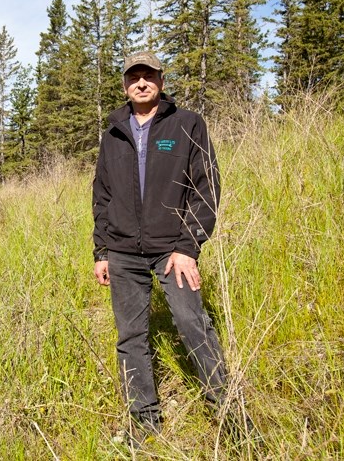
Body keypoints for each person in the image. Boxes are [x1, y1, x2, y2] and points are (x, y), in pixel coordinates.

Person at [92, 51, 227, 443]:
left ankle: (228, 410)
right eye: (133, 76)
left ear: (161, 82)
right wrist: (101, 251)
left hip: (173, 250)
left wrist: (188, 245)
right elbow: (101, 196)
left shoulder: (187, 124)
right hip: (121, 253)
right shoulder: (113, 133)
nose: (141, 82)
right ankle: (144, 421)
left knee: (192, 325)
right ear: (124, 85)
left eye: (148, 75)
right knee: (131, 336)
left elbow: (206, 187)